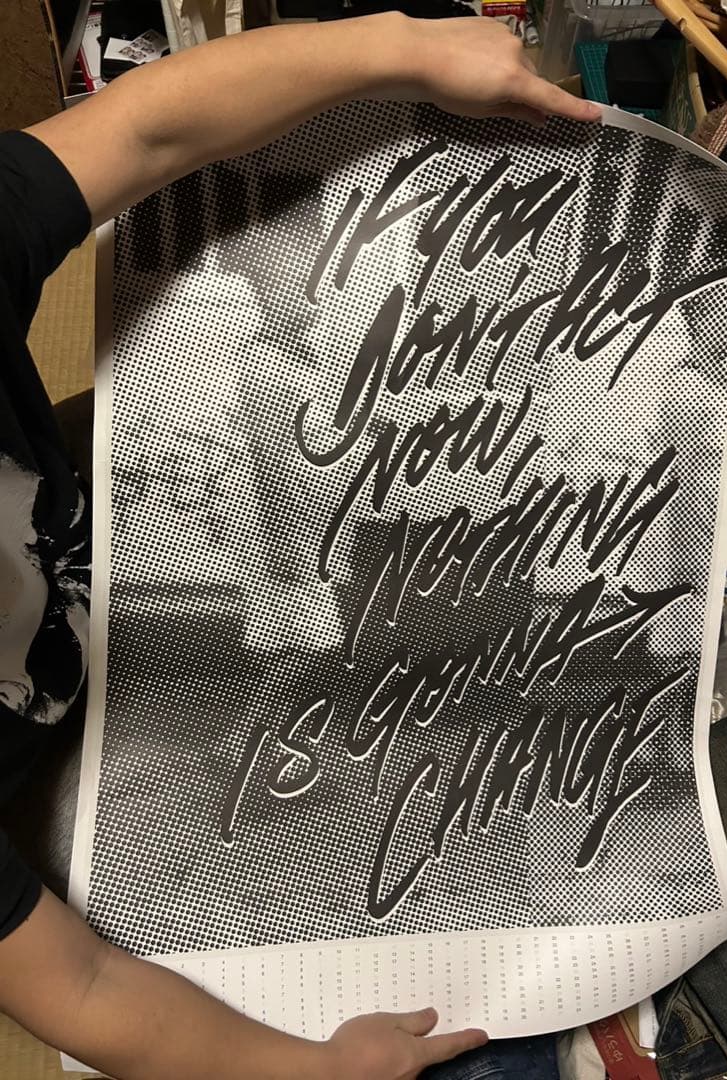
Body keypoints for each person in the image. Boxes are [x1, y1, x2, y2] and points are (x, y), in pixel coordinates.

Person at [0, 14, 598, 1079]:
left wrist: (401, 47)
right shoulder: (264, 376)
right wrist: (317, 1070)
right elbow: (79, 987)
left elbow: (140, 128)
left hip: (106, 555)